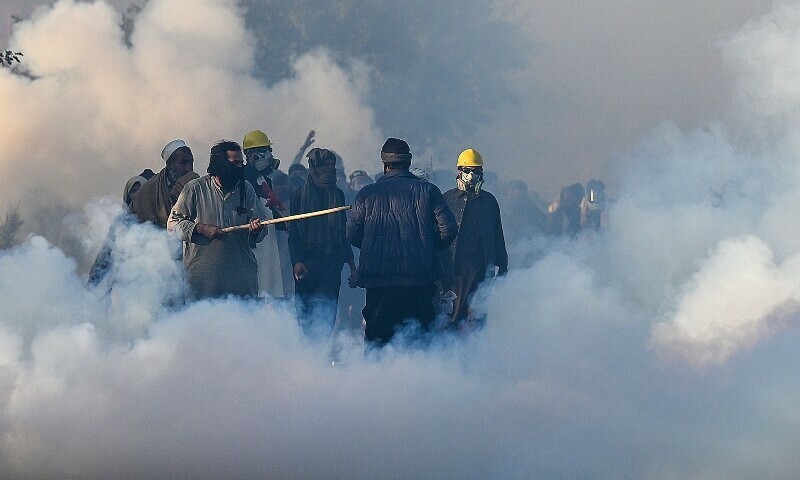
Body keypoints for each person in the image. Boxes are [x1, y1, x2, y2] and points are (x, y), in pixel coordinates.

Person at [347, 138, 458, 347]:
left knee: (378, 344)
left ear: (385, 164)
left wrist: (373, 248)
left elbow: (352, 233)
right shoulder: (428, 191)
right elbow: (449, 229)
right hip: (418, 281)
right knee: (419, 343)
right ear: (408, 162)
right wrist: (428, 247)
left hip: (378, 284)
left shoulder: (366, 194)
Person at [168, 141, 268, 300]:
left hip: (240, 282)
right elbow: (173, 224)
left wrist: (257, 229)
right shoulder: (195, 188)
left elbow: (262, 224)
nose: (240, 167)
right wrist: (200, 228)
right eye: (235, 163)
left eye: (241, 163)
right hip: (203, 284)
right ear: (221, 164)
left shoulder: (246, 188)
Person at [288, 148, 356, 337]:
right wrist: (297, 262)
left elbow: (343, 234)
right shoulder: (299, 196)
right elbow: (294, 234)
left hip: (331, 266)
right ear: (315, 168)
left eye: (332, 165)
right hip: (306, 266)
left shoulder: (339, 196)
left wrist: (351, 265)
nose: (330, 169)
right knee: (305, 317)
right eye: (325, 165)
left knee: (326, 318)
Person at [441, 149, 508, 329]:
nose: (471, 175)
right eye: (467, 170)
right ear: (459, 171)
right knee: (452, 319)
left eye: (476, 171)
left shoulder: (488, 201)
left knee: (477, 320)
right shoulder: (447, 198)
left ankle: (474, 355)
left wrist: (502, 265)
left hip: (480, 270)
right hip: (454, 271)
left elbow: (497, 235)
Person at [242, 130, 288, 299]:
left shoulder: (265, 179)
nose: (269, 155)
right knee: (259, 284)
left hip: (270, 240)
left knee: (271, 282)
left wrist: (283, 222)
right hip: (255, 241)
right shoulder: (244, 178)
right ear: (251, 155)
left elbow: (269, 210)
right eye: (265, 151)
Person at [88, 175, 147, 287]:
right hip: (122, 282)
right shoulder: (120, 222)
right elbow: (105, 255)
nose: (138, 194)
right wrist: (92, 283)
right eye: (133, 191)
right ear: (128, 195)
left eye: (141, 190)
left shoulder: (155, 218)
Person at [131, 139, 199, 228]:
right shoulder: (150, 188)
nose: (188, 168)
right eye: (183, 163)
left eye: (191, 162)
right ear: (170, 165)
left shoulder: (196, 184)